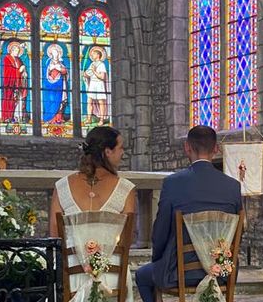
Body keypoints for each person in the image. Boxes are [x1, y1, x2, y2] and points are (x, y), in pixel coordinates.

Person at [135, 125, 243, 302]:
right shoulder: (233, 186)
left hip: (179, 270)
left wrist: (158, 260)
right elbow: (238, 232)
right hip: (222, 272)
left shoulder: (173, 183)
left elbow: (160, 231)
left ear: (187, 147)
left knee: (142, 276)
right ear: (216, 149)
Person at [50, 126, 136, 301]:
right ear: (107, 152)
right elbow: (129, 239)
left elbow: (55, 236)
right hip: (113, 276)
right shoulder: (126, 189)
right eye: (120, 148)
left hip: (73, 276)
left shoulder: (62, 187)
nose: (123, 153)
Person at [1, 41, 28, 123]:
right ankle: (8, 117)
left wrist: (24, 72)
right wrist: (19, 70)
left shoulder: (19, 60)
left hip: (18, 85)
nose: (18, 52)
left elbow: (22, 70)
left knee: (18, 101)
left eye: (19, 51)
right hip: (10, 85)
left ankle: (17, 117)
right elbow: (8, 71)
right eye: (16, 51)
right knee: (10, 100)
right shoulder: (7, 58)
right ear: (12, 50)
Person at [42, 43, 69, 124]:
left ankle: (58, 118)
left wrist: (60, 69)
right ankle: (50, 119)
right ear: (51, 54)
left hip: (59, 85)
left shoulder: (61, 63)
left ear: (59, 54)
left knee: (59, 101)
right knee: (51, 100)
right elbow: (45, 74)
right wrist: (51, 70)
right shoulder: (48, 63)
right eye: (54, 52)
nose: (55, 54)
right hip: (50, 86)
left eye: (57, 52)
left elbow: (65, 72)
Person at [83, 46, 109, 125]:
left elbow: (102, 77)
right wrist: (85, 74)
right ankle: (89, 118)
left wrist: (94, 71)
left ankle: (101, 120)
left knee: (101, 102)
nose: (92, 55)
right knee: (89, 101)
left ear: (98, 55)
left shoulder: (101, 65)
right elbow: (88, 73)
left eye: (94, 54)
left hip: (99, 84)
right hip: (92, 84)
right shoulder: (92, 64)